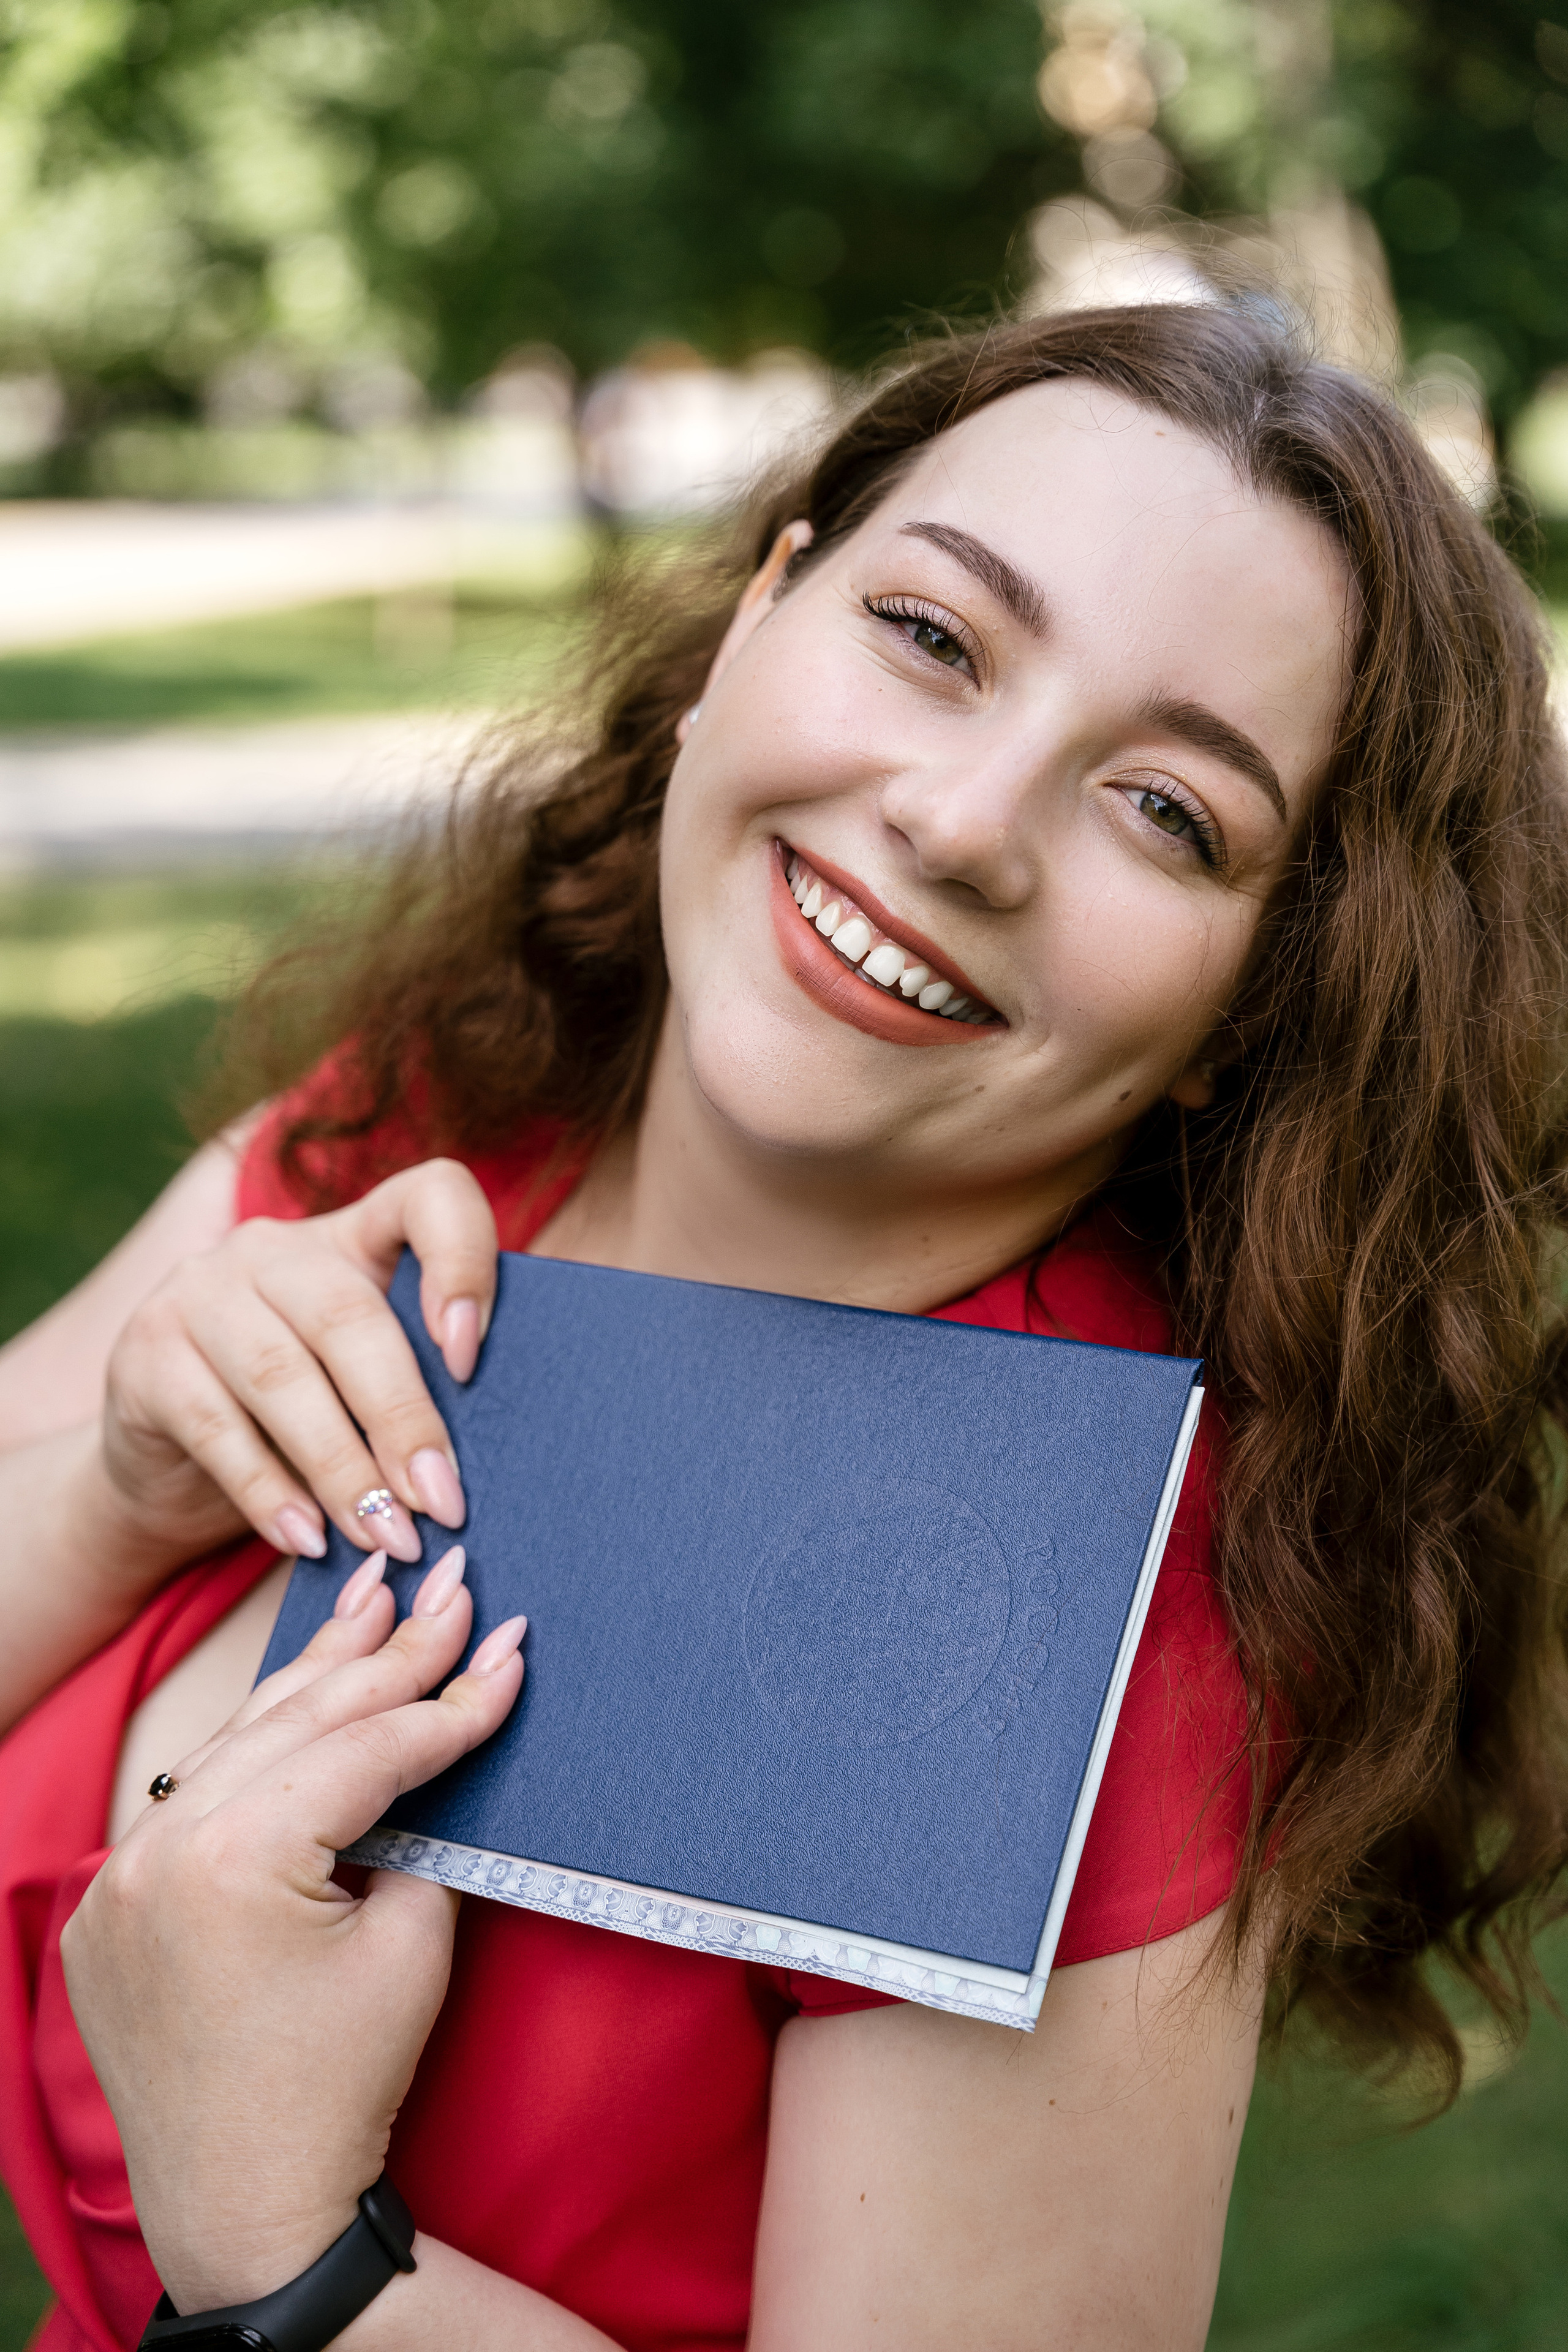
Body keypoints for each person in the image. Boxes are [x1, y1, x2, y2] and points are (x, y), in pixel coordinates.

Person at [1, 301, 1566, 2352]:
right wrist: (123, 1490)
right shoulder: (434, 1130)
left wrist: (291, 2258)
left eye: (1170, 809)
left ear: (1251, 1012)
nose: (963, 821)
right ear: (762, 611)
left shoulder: (1076, 1626)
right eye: (934, 637)